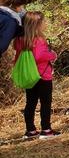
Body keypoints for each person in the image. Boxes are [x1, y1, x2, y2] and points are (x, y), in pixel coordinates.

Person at [14, 11, 59, 139]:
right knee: (45, 102)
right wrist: (53, 55)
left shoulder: (20, 40)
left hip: (29, 76)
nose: (45, 24)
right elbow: (39, 56)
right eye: (43, 22)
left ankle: (30, 130)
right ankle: (46, 130)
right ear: (37, 25)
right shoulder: (39, 39)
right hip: (43, 75)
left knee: (30, 103)